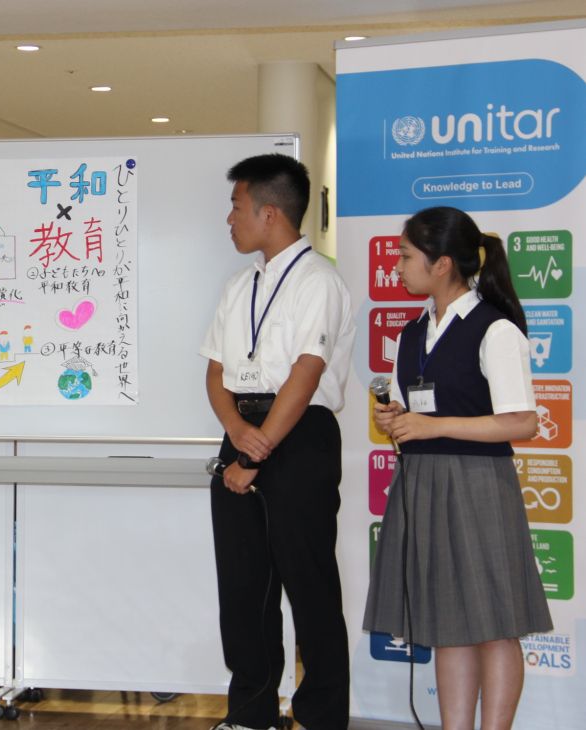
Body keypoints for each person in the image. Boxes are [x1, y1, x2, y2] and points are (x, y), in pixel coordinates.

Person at [364, 206, 551, 730]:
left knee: (494, 624)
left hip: (477, 485)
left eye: (405, 256)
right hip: (421, 485)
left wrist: (435, 426)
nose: (396, 266)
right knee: (449, 623)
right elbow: (418, 415)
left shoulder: (495, 330)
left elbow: (522, 422)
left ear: (442, 263)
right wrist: (399, 420)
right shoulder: (411, 334)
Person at [200, 154, 355, 730]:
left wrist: (258, 447)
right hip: (241, 431)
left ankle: (319, 717)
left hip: (298, 435)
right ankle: (250, 714)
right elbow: (216, 372)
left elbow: (307, 372)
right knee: (243, 589)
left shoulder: (319, 281)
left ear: (270, 212)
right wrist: (239, 436)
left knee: (309, 586)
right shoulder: (239, 284)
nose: (229, 219)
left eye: (236, 207)